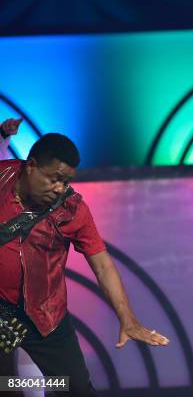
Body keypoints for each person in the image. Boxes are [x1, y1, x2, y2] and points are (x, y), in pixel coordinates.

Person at [0, 133, 169, 396]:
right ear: (30, 165)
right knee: (6, 386)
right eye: (54, 178)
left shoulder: (72, 209)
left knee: (75, 388)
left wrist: (128, 318)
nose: (59, 188)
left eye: (65, 181)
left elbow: (102, 264)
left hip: (45, 317)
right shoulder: (2, 178)